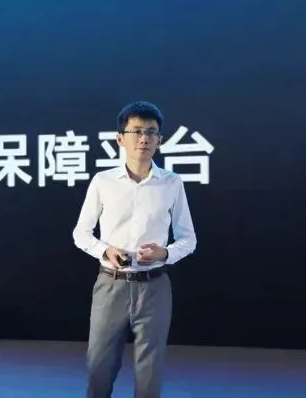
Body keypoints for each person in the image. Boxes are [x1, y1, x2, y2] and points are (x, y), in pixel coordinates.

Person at [72, 101, 197, 398]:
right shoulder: (103, 181)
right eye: (137, 131)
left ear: (160, 140)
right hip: (111, 284)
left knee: (150, 371)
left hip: (154, 286)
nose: (144, 138)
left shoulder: (172, 183)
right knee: (99, 367)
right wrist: (105, 251)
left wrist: (163, 253)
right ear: (121, 138)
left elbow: (188, 239)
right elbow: (81, 233)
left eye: (151, 132)